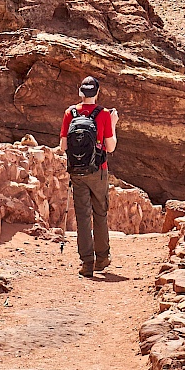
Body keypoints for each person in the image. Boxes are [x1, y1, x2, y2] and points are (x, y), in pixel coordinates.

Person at [59, 75, 118, 277]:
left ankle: (87, 263)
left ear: (80, 93)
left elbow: (63, 146)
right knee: (100, 213)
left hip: (77, 172)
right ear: (97, 93)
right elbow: (110, 148)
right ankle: (102, 258)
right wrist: (113, 123)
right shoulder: (103, 114)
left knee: (83, 217)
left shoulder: (70, 113)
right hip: (98, 170)